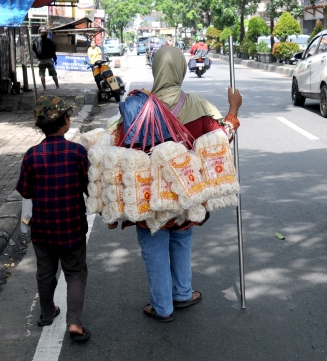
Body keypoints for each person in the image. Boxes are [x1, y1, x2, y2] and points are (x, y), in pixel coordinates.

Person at [109, 46, 242, 322]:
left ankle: (163, 307)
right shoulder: (199, 106)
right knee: (182, 240)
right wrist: (233, 109)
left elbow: (119, 152)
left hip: (149, 200)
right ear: (182, 69)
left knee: (155, 248)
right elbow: (219, 143)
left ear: (155, 68)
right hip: (186, 194)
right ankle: (183, 293)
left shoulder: (137, 108)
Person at [16, 96, 91, 342]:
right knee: (76, 272)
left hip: (43, 229)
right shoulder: (78, 152)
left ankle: (47, 313)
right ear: (64, 123)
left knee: (45, 272)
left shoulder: (32, 155)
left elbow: (25, 191)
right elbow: (87, 185)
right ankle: (75, 324)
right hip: (72, 227)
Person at [32, 25, 60, 90]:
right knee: (53, 73)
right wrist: (55, 59)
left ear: (39, 32)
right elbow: (53, 51)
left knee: (42, 74)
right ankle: (57, 86)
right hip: (49, 60)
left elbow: (33, 50)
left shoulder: (35, 41)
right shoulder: (50, 41)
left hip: (41, 60)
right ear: (47, 33)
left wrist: (37, 56)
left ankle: (44, 87)